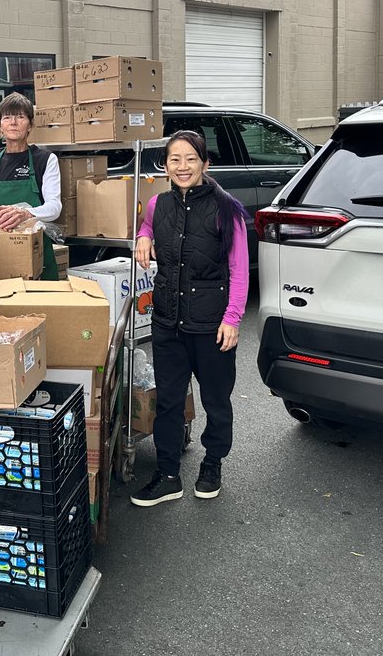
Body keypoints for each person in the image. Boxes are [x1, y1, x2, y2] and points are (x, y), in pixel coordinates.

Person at [129, 129, 249, 508]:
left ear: (205, 164)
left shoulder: (227, 208)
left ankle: (212, 463)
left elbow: (240, 269)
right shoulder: (156, 205)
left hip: (212, 325)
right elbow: (149, 226)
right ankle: (167, 476)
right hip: (168, 321)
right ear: (165, 166)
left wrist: (232, 318)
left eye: (190, 159)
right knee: (167, 401)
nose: (182, 167)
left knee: (216, 400)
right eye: (174, 160)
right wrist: (143, 236)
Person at [0, 93, 61, 280]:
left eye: (20, 117)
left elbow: (55, 207)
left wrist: (25, 214)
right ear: (0, 126)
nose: (13, 122)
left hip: (37, 251)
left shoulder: (46, 160)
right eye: (7, 117)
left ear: (30, 125)